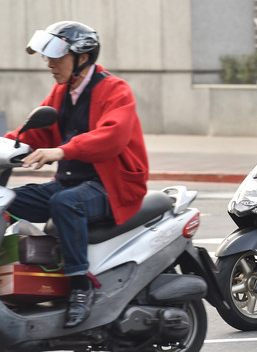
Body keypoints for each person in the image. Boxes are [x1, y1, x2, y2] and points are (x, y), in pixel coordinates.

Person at [4, 21, 149, 327]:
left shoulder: (115, 89)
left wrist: (62, 151)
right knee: (10, 200)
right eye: (47, 56)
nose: (49, 63)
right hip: (71, 182)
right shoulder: (61, 92)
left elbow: (112, 136)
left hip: (112, 186)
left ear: (82, 58)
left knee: (66, 203)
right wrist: (5, 146)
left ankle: (80, 287)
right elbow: (34, 133)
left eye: (56, 56)